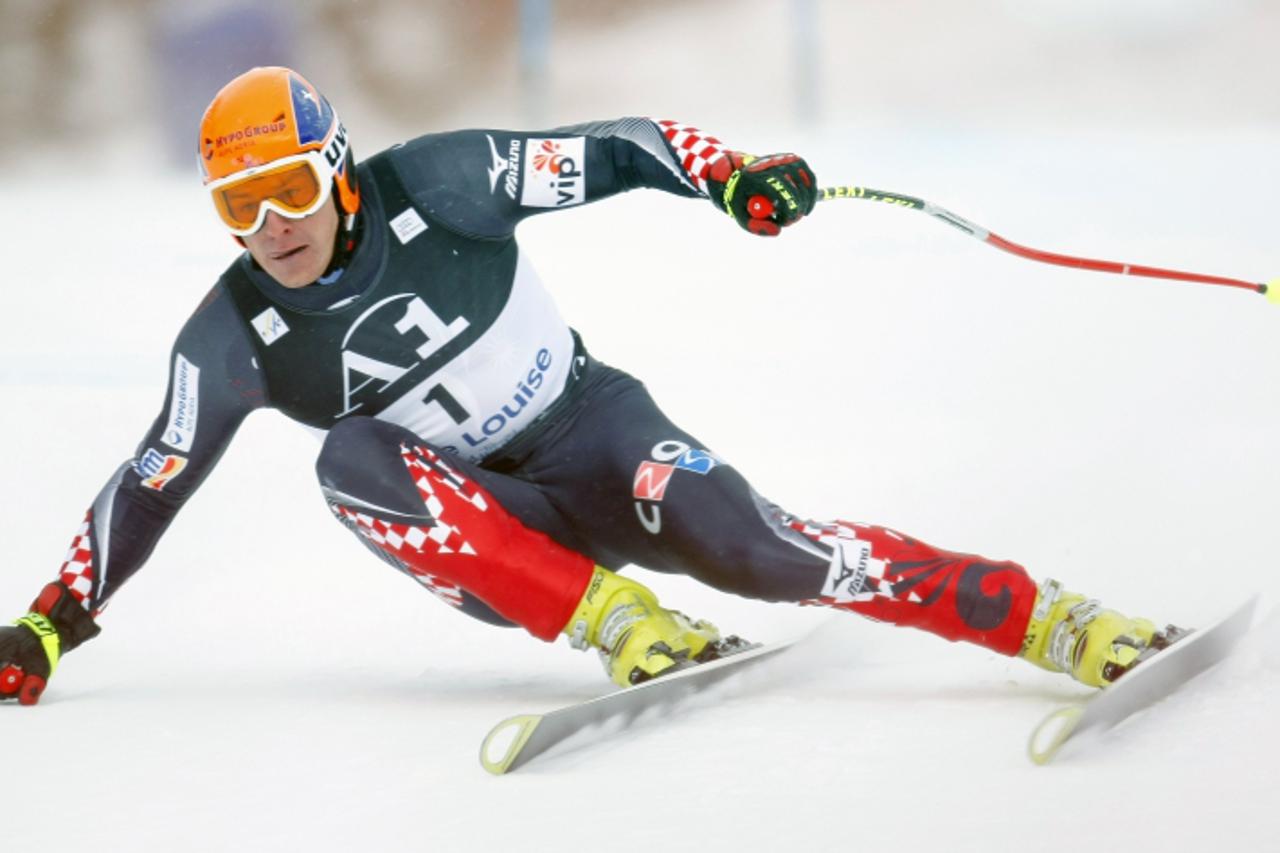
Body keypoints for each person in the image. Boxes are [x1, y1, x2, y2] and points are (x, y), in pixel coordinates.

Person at [0, 67, 1171, 706]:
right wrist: (53, 622)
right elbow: (152, 478)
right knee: (345, 456)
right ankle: (616, 620)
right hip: (494, 543)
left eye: (289, 188)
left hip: (597, 437)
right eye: (235, 207)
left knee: (765, 550)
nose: (270, 228)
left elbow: (613, 146)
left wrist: (729, 176)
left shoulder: (443, 181)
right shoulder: (232, 333)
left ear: (340, 169)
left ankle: (1046, 617)